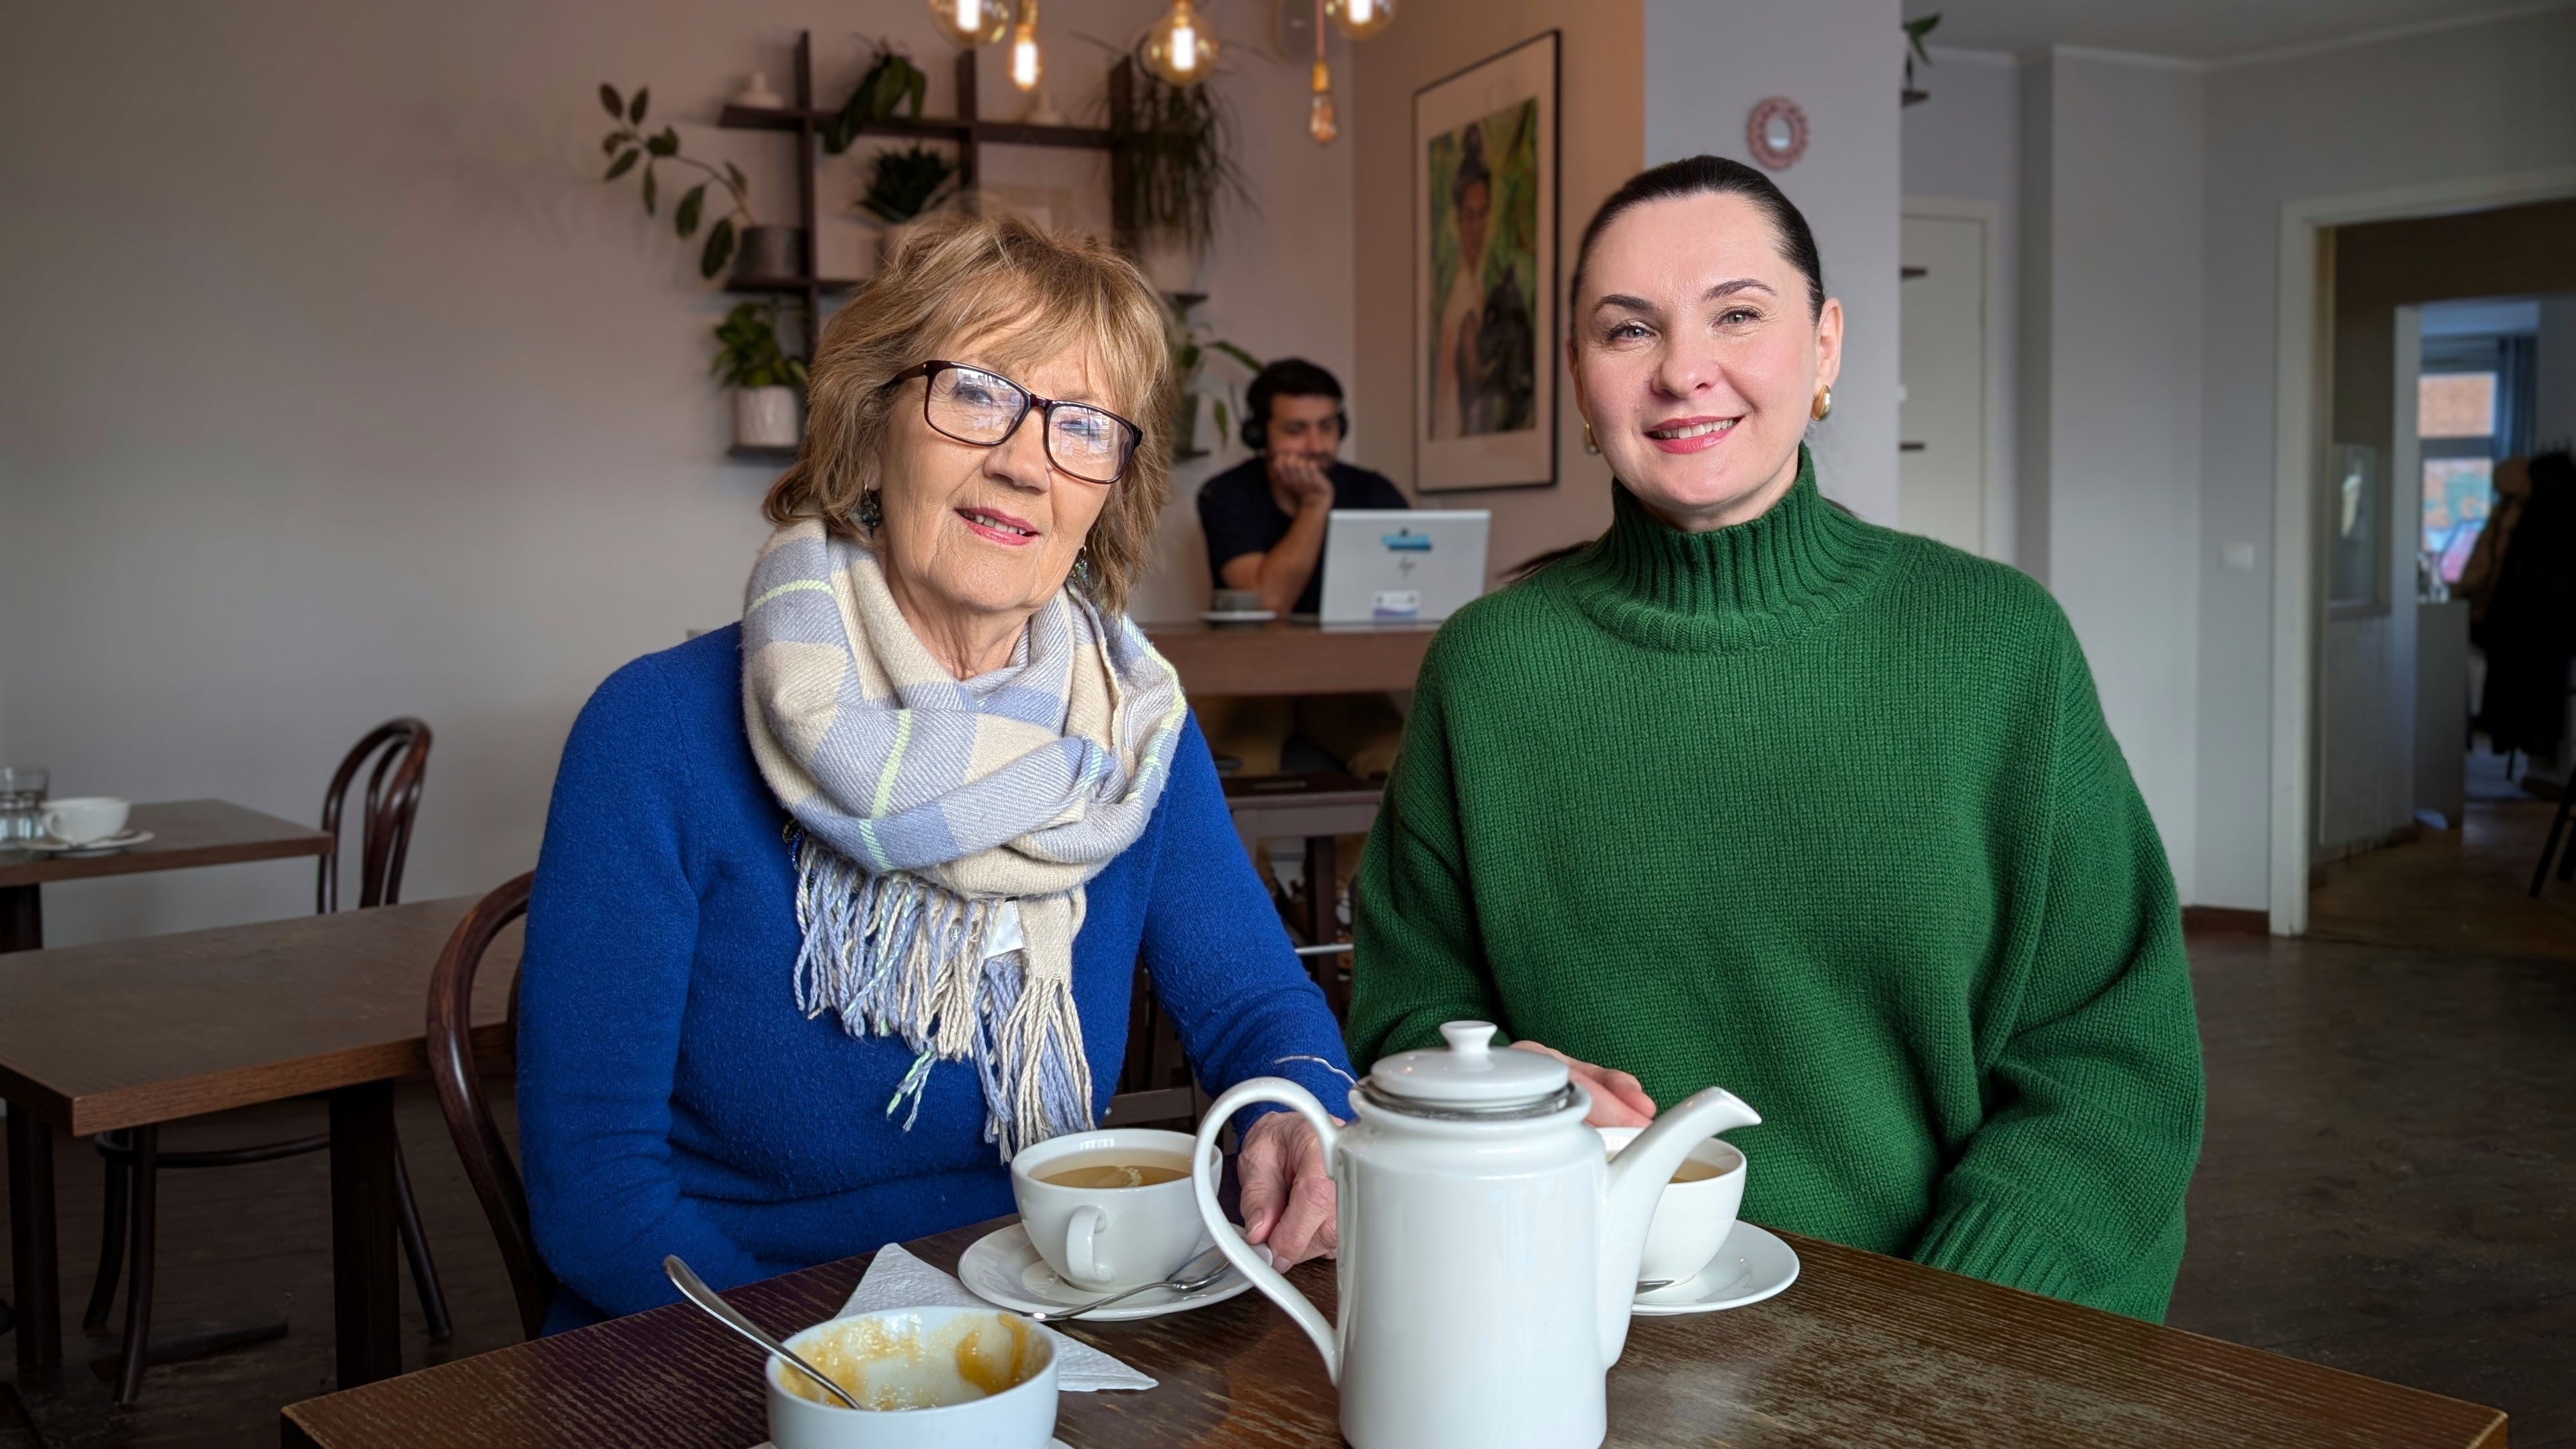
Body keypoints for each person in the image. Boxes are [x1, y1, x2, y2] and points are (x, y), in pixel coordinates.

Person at [1347, 155, 2205, 1322]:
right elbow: (1407, 1012)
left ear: (1824, 347)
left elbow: (2111, 1067)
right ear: (1580, 385)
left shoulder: (1998, 648)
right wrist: (1494, 1083)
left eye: (1737, 315)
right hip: (1573, 1311)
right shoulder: (1489, 669)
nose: (1681, 369)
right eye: (1627, 330)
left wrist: (1943, 1333)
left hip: (1946, 1326)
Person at [517, 213, 1351, 1331]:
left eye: (1082, 425)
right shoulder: (655, 731)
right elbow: (596, 1194)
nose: (1023, 460)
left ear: (1109, 489)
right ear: (870, 429)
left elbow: (1257, 1006)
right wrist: (853, 1370)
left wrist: (1303, 1113)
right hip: (726, 1334)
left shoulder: (1129, 735)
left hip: (1043, 1307)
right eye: (974, 393)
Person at [1194, 358, 1408, 781]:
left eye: (1327, 427)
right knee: (1245, 766)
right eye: (1296, 430)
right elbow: (1268, 603)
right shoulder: (1225, 494)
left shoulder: (1374, 492)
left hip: (1344, 680)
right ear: (1260, 435)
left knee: (1401, 761)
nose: (1315, 445)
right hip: (1247, 680)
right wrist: (1315, 505)